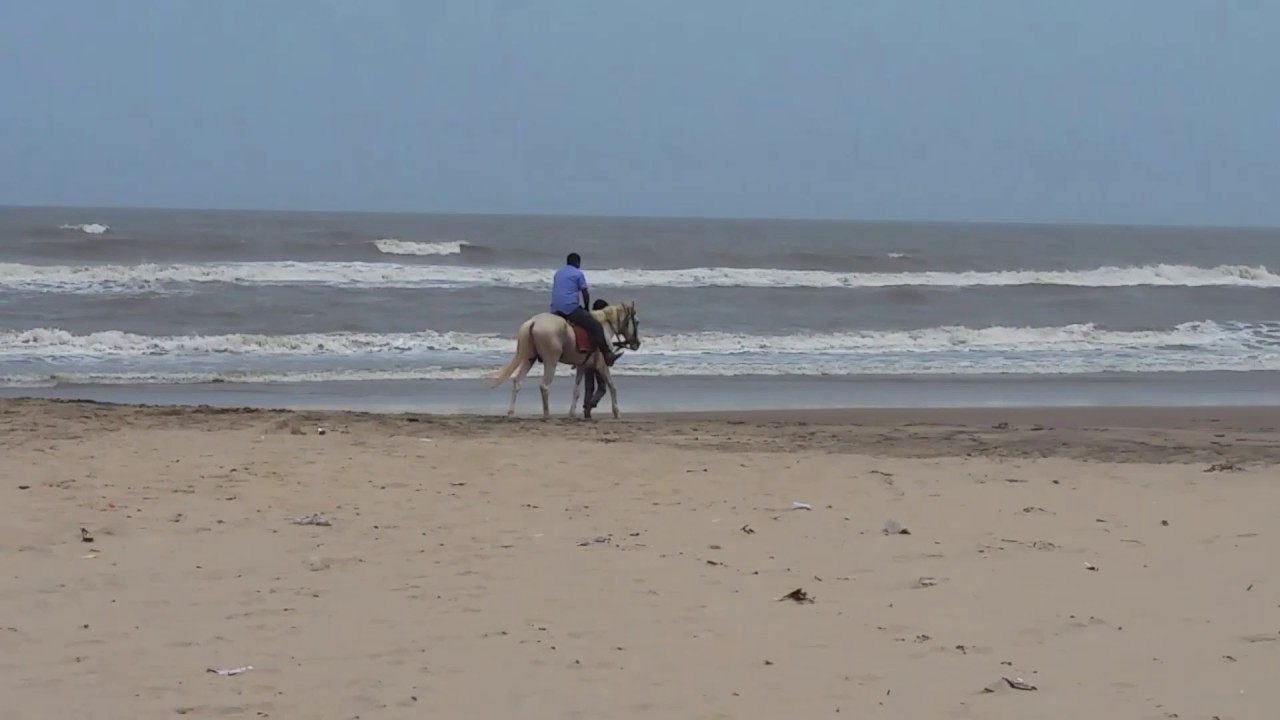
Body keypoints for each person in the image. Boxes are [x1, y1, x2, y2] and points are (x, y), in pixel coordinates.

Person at [550, 252, 618, 366]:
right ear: (577, 262)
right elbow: (585, 293)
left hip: (554, 309)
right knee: (596, 326)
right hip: (569, 309)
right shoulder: (578, 274)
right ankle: (607, 355)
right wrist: (587, 308)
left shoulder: (558, 273)